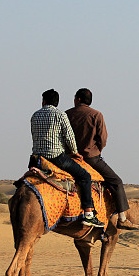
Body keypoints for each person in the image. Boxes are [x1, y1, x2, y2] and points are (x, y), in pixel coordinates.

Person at [66, 88, 139, 230]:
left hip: (70, 158)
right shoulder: (96, 115)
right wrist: (96, 150)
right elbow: (103, 138)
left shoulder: (67, 114)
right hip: (91, 158)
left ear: (78, 99)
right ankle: (123, 218)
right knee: (116, 181)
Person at [31, 89, 104, 227]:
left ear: (44, 101)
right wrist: (75, 152)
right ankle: (88, 213)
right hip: (56, 157)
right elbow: (70, 137)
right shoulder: (60, 115)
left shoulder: (35, 115)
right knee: (85, 176)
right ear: (56, 102)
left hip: (36, 158)